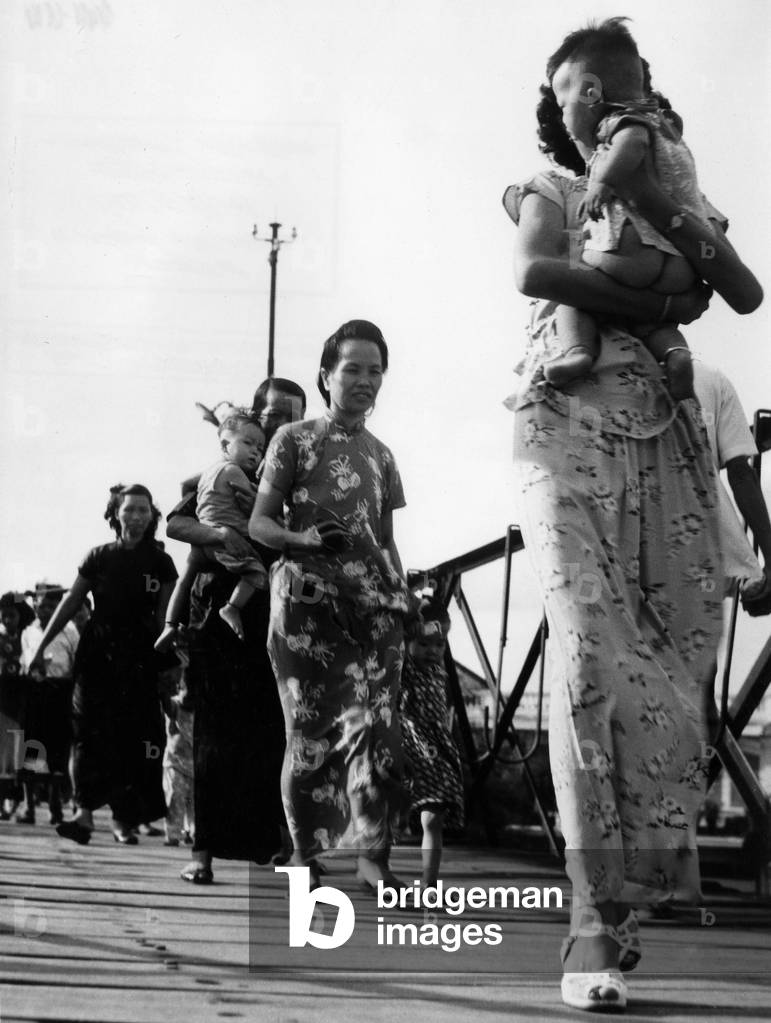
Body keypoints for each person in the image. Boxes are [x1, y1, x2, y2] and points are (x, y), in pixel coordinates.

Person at [502, 23, 761, 1011]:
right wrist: (651, 295)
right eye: (568, 85)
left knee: (674, 665)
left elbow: (736, 289)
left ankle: (623, 904)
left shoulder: (673, 183)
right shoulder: (549, 188)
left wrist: (660, 219)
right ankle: (588, 919)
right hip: (564, 426)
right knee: (585, 657)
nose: (584, 97)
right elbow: (536, 273)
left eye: (603, 82)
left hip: (666, 442)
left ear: (635, 92)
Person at [249, 320, 411, 891]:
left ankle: (373, 858)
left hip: (375, 610)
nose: (366, 381)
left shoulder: (383, 455)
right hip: (307, 608)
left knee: (379, 735)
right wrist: (303, 540)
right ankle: (303, 855)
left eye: (376, 371)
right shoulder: (293, 440)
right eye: (353, 369)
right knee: (311, 736)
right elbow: (259, 524)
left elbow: (385, 541)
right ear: (326, 376)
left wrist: (404, 596)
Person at [543, 19, 762, 400]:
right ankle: (676, 355)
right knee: (656, 327)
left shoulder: (618, 132)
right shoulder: (679, 170)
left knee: (571, 302)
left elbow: (747, 294)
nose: (565, 121)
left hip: (628, 255)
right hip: (675, 270)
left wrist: (623, 190)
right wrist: (665, 302)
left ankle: (578, 352)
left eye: (565, 107)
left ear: (592, 94)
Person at [166, 377, 307, 884]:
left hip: (277, 611)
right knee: (214, 731)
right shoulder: (224, 472)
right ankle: (203, 851)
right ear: (257, 416)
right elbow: (177, 524)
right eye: (273, 415)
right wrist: (223, 534)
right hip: (220, 608)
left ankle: (272, 843)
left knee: (271, 731)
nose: (281, 424)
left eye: (292, 416)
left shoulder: (301, 475)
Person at [28, 484, 177, 845]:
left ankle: (123, 821)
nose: (136, 517)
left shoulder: (161, 563)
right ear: (115, 514)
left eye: (143, 510)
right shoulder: (98, 557)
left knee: (132, 738)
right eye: (129, 509)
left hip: (139, 659)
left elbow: (164, 619)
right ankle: (83, 814)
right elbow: (70, 603)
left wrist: (169, 667)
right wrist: (39, 648)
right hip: (96, 656)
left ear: (152, 516)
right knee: (86, 734)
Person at [156, 414, 267, 650]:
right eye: (248, 443)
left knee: (184, 580)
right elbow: (174, 525)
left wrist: (206, 514)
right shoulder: (235, 472)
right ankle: (232, 608)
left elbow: (185, 483)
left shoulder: (211, 472)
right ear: (225, 445)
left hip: (206, 549)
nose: (256, 452)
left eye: (260, 447)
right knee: (256, 573)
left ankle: (169, 625)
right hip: (219, 574)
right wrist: (220, 532)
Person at [397, 599, 465, 889]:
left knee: (433, 818)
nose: (433, 651)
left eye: (440, 644)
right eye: (424, 644)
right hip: (408, 746)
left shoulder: (440, 671)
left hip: (436, 752)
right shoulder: (405, 668)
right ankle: (373, 865)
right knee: (389, 815)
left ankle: (430, 881)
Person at [19, 583, 79, 825]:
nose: (45, 611)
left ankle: (55, 805)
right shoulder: (28, 632)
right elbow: (25, 661)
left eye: (51, 607)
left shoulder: (70, 631)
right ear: (35, 605)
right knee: (32, 748)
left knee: (57, 750)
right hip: (35, 691)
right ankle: (29, 805)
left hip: (60, 691)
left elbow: (75, 663)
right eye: (42, 606)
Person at [0, 593, 35, 820]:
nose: (7, 620)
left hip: (21, 699)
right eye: (3, 616)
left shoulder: (27, 637)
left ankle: (21, 802)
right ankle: (4, 803)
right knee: (3, 755)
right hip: (2, 700)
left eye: (11, 615)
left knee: (21, 754)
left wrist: (22, 597)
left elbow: (30, 613)